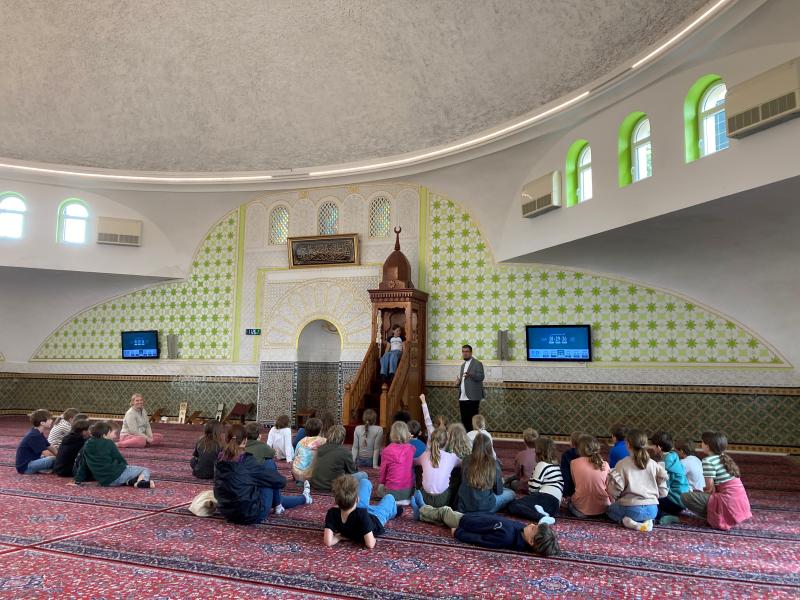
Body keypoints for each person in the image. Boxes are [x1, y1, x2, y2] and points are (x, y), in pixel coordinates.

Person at [409, 490, 560, 556]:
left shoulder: (506, 538)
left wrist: (459, 533)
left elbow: (481, 540)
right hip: (474, 518)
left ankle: (422, 509)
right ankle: (422, 515)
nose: (531, 525)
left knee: (445, 512)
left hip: (465, 523)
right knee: (443, 520)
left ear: (531, 541)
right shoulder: (521, 532)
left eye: (534, 528)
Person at [214, 425, 311, 524]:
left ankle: (300, 499)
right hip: (252, 515)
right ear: (245, 441)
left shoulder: (219, 459)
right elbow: (280, 482)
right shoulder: (248, 461)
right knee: (269, 466)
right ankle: (298, 500)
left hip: (228, 514)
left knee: (261, 481)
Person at [680, 431, 752, 531]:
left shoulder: (708, 461)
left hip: (727, 503)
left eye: (702, 442)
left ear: (708, 446)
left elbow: (709, 489)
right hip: (740, 504)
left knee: (685, 497)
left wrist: (697, 493)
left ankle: (715, 518)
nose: (701, 444)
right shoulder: (724, 457)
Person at [606, 429, 667, 532]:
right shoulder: (653, 464)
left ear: (628, 444)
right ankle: (647, 521)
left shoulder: (622, 464)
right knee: (642, 512)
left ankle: (627, 522)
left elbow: (613, 492)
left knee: (610, 510)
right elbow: (663, 492)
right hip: (652, 510)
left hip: (631, 509)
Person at [323, 474, 401, 549]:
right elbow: (370, 544)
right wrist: (373, 539)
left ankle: (370, 507)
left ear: (336, 502)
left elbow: (328, 542)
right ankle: (394, 512)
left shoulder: (332, 513)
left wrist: (338, 537)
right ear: (357, 499)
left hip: (359, 510)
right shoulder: (362, 514)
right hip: (376, 518)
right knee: (389, 497)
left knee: (365, 481)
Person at [74, 421, 155, 488]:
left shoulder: (86, 444)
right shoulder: (109, 443)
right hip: (116, 474)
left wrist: (78, 481)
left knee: (130, 474)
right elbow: (119, 459)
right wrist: (126, 468)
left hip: (105, 482)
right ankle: (141, 482)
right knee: (145, 470)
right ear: (104, 435)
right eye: (111, 432)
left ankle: (130, 481)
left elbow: (83, 465)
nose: (115, 435)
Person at [458, 433, 515, 513]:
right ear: (489, 447)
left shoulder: (466, 460)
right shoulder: (494, 463)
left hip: (464, 507)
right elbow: (499, 491)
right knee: (511, 493)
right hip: (486, 507)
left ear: (474, 446)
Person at [509, 437, 563, 520]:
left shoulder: (542, 465)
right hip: (555, 506)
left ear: (538, 452)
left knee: (513, 505)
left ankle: (541, 517)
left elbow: (533, 489)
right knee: (524, 503)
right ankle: (542, 513)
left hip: (545, 497)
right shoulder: (556, 465)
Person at [649, 431, 690, 525]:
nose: (652, 448)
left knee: (647, 504)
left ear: (659, 447)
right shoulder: (674, 456)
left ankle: (664, 516)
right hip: (682, 501)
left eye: (653, 445)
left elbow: (663, 488)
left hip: (674, 501)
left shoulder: (664, 463)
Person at [415, 427, 461, 507]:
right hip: (442, 499)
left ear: (430, 441)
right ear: (447, 442)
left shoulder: (424, 455)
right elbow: (464, 464)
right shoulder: (451, 457)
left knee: (419, 469)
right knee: (456, 476)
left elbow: (414, 462)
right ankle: (451, 508)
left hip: (424, 497)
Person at [311, 425, 367, 491]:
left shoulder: (320, 448)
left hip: (316, 484)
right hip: (333, 486)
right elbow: (352, 471)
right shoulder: (345, 451)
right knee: (363, 475)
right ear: (342, 439)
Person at [568, 435, 611, 518]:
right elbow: (608, 487)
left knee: (569, 502)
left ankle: (582, 514)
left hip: (581, 507)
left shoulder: (573, 463)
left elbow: (576, 484)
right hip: (603, 507)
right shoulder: (605, 464)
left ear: (580, 449)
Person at [379, 421, 415, 503]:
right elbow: (407, 446)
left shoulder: (386, 450)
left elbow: (383, 472)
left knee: (379, 489)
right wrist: (408, 439)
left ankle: (392, 501)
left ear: (392, 434)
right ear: (407, 434)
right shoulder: (411, 449)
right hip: (408, 492)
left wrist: (382, 484)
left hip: (391, 492)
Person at [15, 409, 57, 474]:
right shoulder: (34, 435)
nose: (52, 420)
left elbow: (49, 446)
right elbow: (47, 454)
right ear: (42, 423)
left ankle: (42, 469)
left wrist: (59, 454)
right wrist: (60, 458)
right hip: (26, 467)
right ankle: (42, 469)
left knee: (53, 457)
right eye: (49, 419)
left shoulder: (37, 432)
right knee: (52, 459)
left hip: (32, 460)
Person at [455, 344, 484, 429]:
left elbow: (481, 377)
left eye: (467, 351)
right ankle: (466, 436)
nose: (465, 353)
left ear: (471, 353)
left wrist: (471, 375)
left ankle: (473, 436)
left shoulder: (478, 363)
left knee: (473, 421)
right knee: (464, 420)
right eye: (463, 351)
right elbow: (464, 380)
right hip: (462, 397)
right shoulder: (463, 365)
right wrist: (458, 382)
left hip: (473, 397)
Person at [292, 417, 326, 482]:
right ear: (320, 430)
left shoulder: (301, 442)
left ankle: (302, 481)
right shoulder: (324, 441)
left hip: (298, 474)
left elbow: (295, 456)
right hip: (313, 476)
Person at [560, 431, 583, 499]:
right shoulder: (586, 453)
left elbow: (565, 475)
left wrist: (565, 494)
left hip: (570, 490)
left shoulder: (567, 454)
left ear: (572, 442)